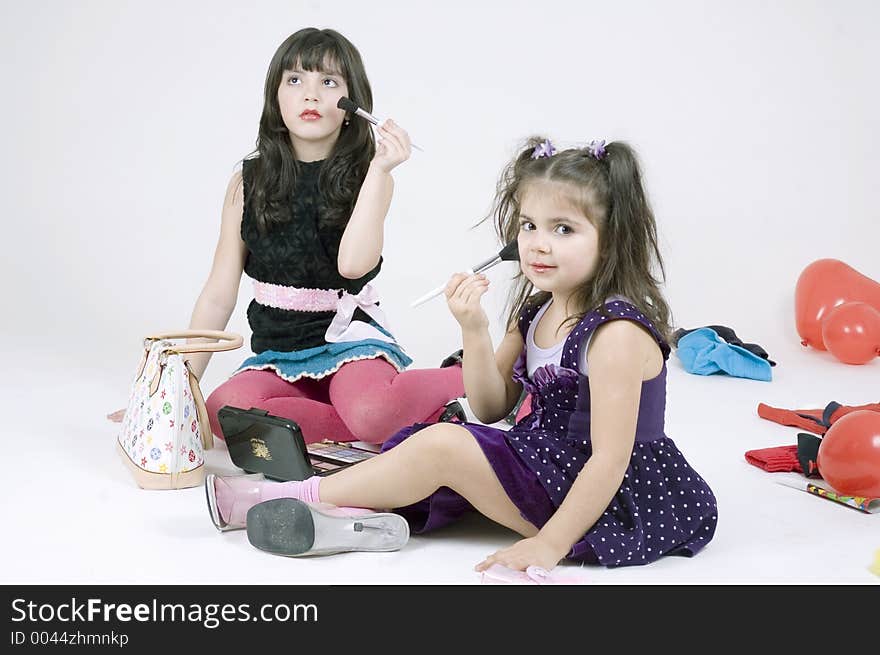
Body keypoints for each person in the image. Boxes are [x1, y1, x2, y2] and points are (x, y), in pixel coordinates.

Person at [208, 136, 719, 571]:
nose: (538, 244)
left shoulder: (615, 335)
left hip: (610, 497)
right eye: (529, 225)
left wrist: (549, 544)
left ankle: (288, 498)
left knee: (442, 449)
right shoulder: (539, 311)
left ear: (611, 241)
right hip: (547, 466)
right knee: (422, 458)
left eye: (563, 229)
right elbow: (492, 405)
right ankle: (352, 523)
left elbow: (610, 460)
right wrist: (473, 329)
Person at [109, 28, 464, 444]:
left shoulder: (371, 177)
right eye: (295, 80)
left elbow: (352, 266)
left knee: (371, 411)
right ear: (275, 99)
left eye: (328, 82)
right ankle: (376, 419)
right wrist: (180, 389)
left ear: (352, 107)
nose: (310, 95)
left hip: (347, 342)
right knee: (221, 415)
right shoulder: (248, 181)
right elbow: (219, 294)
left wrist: (381, 170)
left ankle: (463, 375)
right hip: (279, 353)